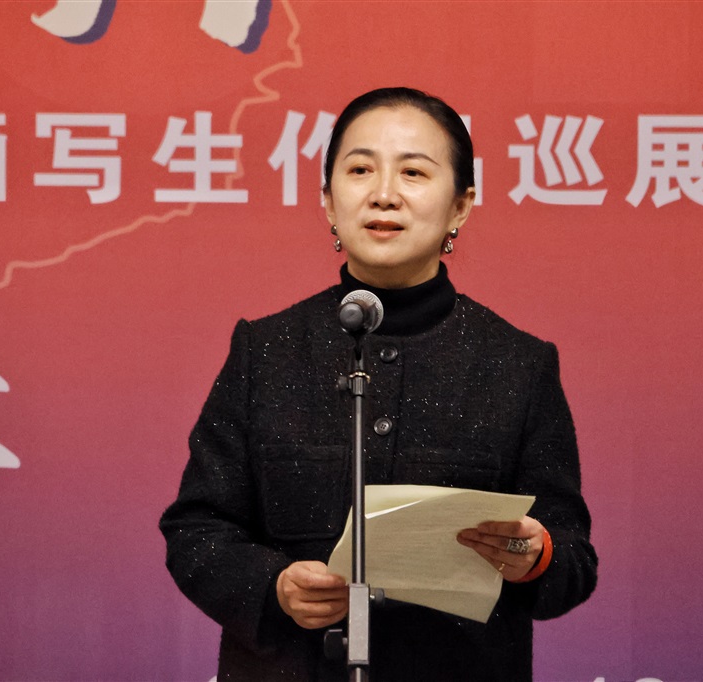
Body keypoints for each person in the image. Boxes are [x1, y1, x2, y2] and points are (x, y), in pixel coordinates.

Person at [160, 87, 598, 681]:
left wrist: (534, 555)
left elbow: (572, 557)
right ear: (328, 200)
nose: (384, 193)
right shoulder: (264, 350)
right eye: (360, 169)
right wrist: (274, 586)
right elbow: (197, 529)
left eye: (413, 172)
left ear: (461, 206)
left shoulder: (518, 363)